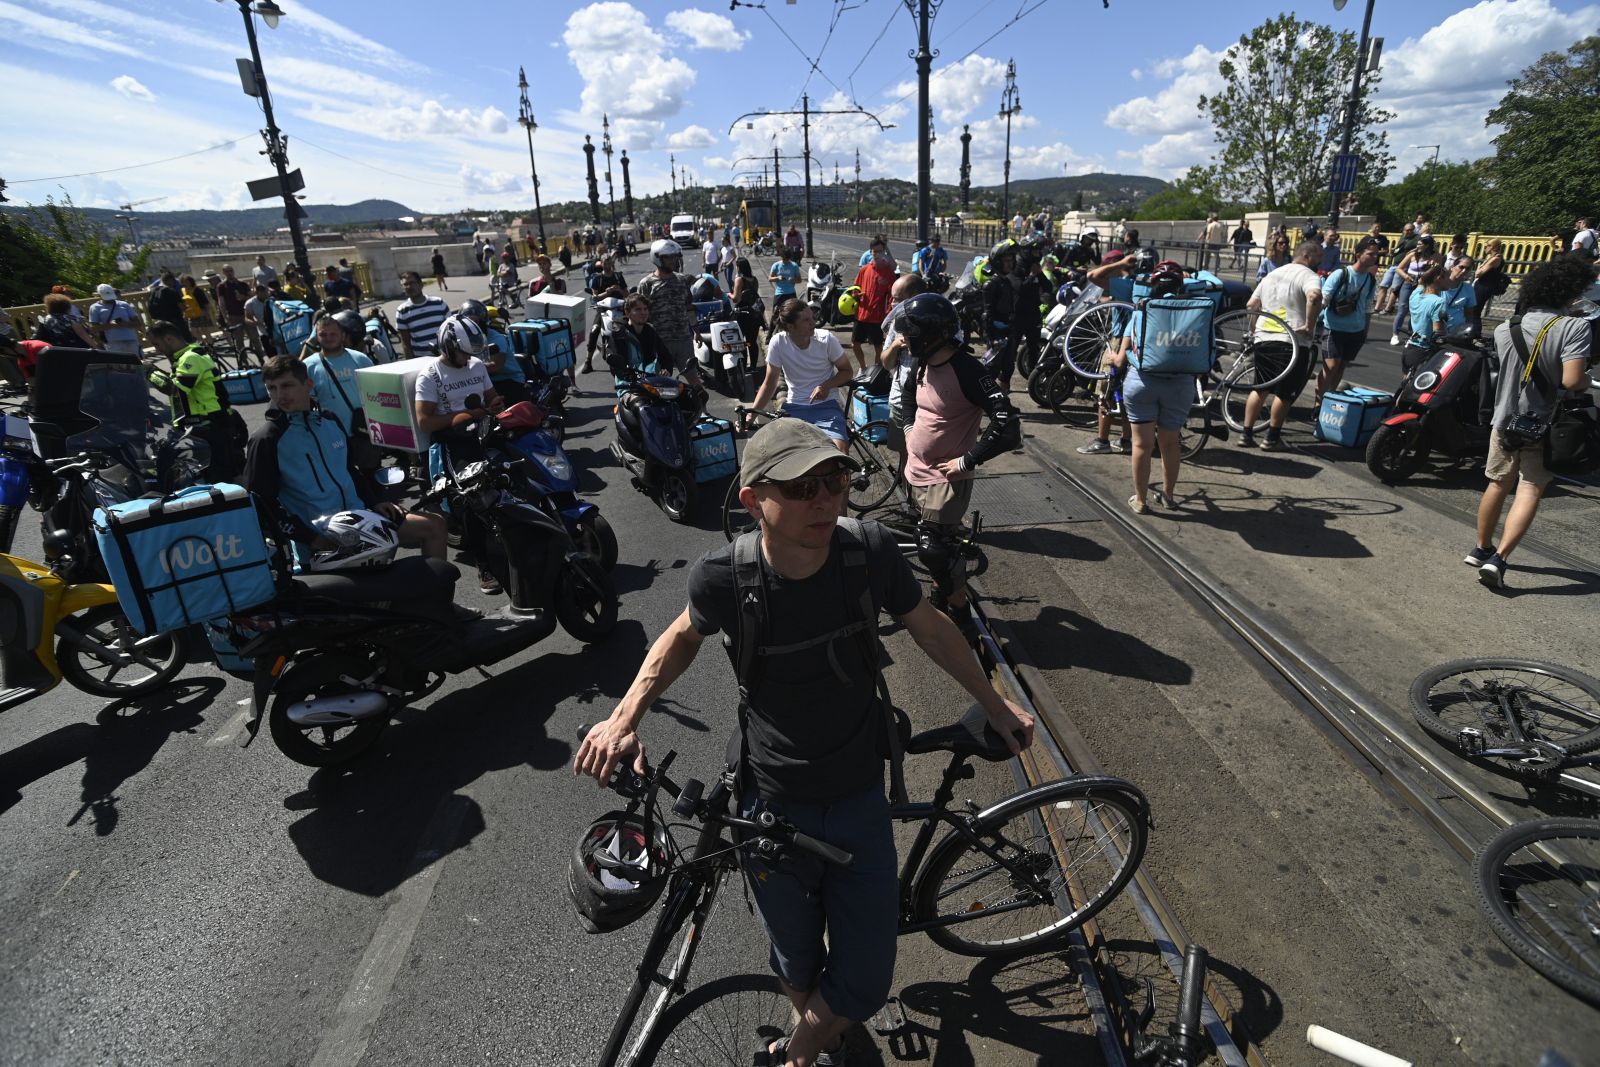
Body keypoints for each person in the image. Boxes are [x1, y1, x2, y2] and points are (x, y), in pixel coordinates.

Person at [574, 416, 1034, 1067]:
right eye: (799, 486)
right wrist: (624, 716)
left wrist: (995, 701)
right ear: (752, 499)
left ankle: (800, 1049)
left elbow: (930, 626)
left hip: (856, 798)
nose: (824, 499)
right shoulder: (723, 578)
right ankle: (822, 1032)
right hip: (768, 804)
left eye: (835, 479)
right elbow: (680, 636)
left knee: (867, 978)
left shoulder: (868, 551)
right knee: (794, 956)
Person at [246, 356, 444, 569]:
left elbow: (350, 471)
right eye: (271, 388)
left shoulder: (330, 421)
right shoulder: (267, 439)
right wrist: (311, 539)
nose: (279, 395)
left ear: (308, 384)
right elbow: (261, 504)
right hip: (321, 538)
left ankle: (438, 602)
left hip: (362, 520)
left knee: (435, 526)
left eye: (286, 385)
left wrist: (375, 502)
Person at [897, 293, 1021, 632]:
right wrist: (909, 429)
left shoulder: (967, 370)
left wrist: (967, 461)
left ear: (930, 335)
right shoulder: (924, 361)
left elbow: (1008, 425)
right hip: (917, 472)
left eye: (908, 334)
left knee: (935, 550)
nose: (902, 340)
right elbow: (910, 395)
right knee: (939, 545)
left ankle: (961, 617)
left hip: (945, 481)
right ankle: (941, 596)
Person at [1469, 256, 1594, 587]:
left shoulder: (1504, 327)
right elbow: (1571, 380)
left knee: (1497, 483)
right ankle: (1500, 559)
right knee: (1530, 486)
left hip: (1504, 419)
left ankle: (1481, 548)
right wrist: (1585, 379)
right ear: (1570, 292)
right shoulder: (1575, 328)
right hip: (1544, 423)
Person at [414, 316, 505, 594]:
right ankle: (484, 565)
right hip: (453, 444)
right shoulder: (430, 375)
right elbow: (424, 422)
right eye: (464, 352)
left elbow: (492, 397)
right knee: (472, 499)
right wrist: (469, 415)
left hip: (484, 431)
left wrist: (495, 404)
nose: (469, 358)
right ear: (448, 346)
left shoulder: (476, 365)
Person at [1104, 265, 1200, 513]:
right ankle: (1168, 496)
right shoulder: (1194, 312)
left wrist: (1110, 357)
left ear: (1153, 286)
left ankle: (1141, 500)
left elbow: (1122, 359)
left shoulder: (1141, 311)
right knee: (1170, 444)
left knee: (1141, 445)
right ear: (1180, 287)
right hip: (1179, 385)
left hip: (1142, 384)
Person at [1241, 239, 1323, 450]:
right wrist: (1309, 325)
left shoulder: (1272, 274)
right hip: (1292, 342)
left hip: (1265, 338)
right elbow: (1314, 297)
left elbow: (1252, 305)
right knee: (1285, 394)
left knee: (1260, 388)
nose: (1320, 261)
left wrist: (1254, 329)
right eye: (1318, 257)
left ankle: (1246, 433)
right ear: (1308, 256)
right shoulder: (1309, 276)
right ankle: (1271, 438)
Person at [144, 320, 241, 483]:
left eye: (156, 343)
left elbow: (174, 389)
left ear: (168, 339)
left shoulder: (191, 357)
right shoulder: (182, 358)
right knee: (209, 476)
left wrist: (150, 371)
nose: (156, 349)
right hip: (201, 426)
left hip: (211, 425)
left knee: (223, 476)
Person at [749, 300, 856, 448]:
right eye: (806, 320)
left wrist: (826, 386)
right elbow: (769, 384)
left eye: (812, 317)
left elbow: (847, 371)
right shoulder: (778, 343)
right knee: (784, 453)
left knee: (839, 452)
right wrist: (751, 415)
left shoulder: (826, 339)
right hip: (794, 407)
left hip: (827, 406)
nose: (813, 323)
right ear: (790, 326)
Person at [1317, 236, 1381, 403]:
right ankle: (1318, 401)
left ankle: (1329, 399)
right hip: (1334, 328)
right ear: (1358, 254)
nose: (1375, 257)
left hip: (1355, 331)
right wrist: (1311, 321)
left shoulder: (1370, 279)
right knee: (1331, 366)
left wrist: (1365, 331)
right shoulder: (1341, 273)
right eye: (1370, 254)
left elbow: (1368, 307)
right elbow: (1324, 298)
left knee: (1340, 367)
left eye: (1376, 254)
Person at [878, 272, 928, 474]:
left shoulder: (938, 320)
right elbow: (885, 363)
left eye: (897, 299)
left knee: (927, 454)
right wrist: (896, 346)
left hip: (929, 403)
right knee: (905, 453)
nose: (892, 303)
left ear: (914, 297)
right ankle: (908, 494)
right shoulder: (896, 323)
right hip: (900, 401)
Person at [638, 239, 700, 385]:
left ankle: (701, 408)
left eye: (675, 256)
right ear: (658, 258)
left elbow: (689, 308)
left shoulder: (682, 280)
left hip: (684, 340)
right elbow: (641, 316)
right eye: (668, 257)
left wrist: (696, 331)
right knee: (659, 383)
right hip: (659, 342)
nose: (673, 260)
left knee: (694, 379)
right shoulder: (646, 284)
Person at [303, 313, 374, 439]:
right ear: (317, 338)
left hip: (363, 432)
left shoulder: (360, 359)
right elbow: (306, 404)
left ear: (343, 335)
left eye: (333, 334)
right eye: (323, 334)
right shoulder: (308, 366)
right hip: (330, 436)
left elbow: (375, 393)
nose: (328, 338)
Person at [850, 241, 895, 375]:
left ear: (884, 252)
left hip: (877, 317)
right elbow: (855, 288)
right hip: (861, 315)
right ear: (870, 252)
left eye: (880, 251)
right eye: (874, 251)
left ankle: (876, 369)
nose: (877, 254)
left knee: (878, 347)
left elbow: (892, 296)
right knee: (855, 344)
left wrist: (889, 314)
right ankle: (863, 368)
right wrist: (856, 295)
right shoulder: (864, 270)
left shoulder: (889, 273)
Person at [581, 255, 628, 373]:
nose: (607, 265)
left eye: (609, 262)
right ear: (601, 263)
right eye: (605, 263)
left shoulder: (618, 276)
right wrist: (607, 293)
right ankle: (588, 361)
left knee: (631, 328)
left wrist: (619, 290)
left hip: (619, 309)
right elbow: (595, 297)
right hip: (603, 310)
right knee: (594, 331)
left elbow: (627, 294)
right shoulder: (597, 279)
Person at [1401, 263, 1451, 370]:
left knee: (1406, 383)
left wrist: (1432, 269)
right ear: (1438, 279)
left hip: (1410, 348)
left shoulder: (1415, 294)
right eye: (1447, 278)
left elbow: (1421, 282)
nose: (1450, 281)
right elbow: (1438, 332)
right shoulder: (1438, 302)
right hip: (1425, 351)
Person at [1390, 235, 1437, 345]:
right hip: (1409, 283)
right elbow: (1399, 268)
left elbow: (1438, 269)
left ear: (1427, 245)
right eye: (1418, 244)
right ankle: (1395, 334)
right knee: (1402, 308)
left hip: (1422, 285)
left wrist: (1433, 266)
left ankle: (1412, 335)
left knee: (1416, 311)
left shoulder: (1434, 257)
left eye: (1421, 244)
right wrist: (1406, 276)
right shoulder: (1412, 255)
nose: (1418, 246)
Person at [395, 270, 450, 360]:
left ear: (421, 285)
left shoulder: (439, 303)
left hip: (446, 357)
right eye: (405, 284)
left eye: (412, 283)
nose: (409, 287)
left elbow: (452, 330)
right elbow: (405, 343)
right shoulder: (402, 311)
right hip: (422, 360)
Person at [88, 284, 143, 355]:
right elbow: (94, 329)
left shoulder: (124, 304)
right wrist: (111, 325)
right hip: (112, 343)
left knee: (136, 363)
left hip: (131, 340)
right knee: (120, 365)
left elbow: (138, 323)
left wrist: (125, 324)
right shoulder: (95, 308)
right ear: (100, 296)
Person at [1374, 223, 1416, 315]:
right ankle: (1377, 308)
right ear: (1404, 230)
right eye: (1406, 230)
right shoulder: (1402, 237)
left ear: (1413, 230)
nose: (1408, 231)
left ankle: (1388, 309)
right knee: (1383, 285)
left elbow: (1420, 248)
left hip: (1403, 266)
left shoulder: (1416, 238)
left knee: (1394, 288)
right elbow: (1397, 249)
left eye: (1410, 230)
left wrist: (1413, 251)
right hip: (1394, 264)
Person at [32, 293, 97, 350]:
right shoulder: (72, 319)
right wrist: (96, 347)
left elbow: (37, 337)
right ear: (66, 307)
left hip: (57, 352)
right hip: (78, 351)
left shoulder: (45, 320)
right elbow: (84, 335)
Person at [1471, 239, 1507, 336]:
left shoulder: (1496, 259)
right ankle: (1472, 332)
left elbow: (1478, 273)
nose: (1485, 247)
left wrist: (1480, 267)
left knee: (1475, 311)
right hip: (1482, 286)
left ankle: (1476, 334)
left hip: (1484, 287)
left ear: (1494, 247)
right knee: (1473, 310)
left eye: (1488, 245)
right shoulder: (1491, 258)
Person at [730, 257, 765, 357]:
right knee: (752, 341)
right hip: (754, 313)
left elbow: (736, 299)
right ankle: (753, 366)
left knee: (741, 340)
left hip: (742, 313)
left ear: (739, 267)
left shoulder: (739, 280)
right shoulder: (754, 280)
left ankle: (744, 365)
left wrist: (729, 294)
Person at [767, 248, 802, 344]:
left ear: (789, 258)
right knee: (775, 314)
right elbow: (770, 278)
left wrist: (793, 280)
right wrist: (777, 278)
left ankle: (795, 335)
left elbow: (799, 280)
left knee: (794, 314)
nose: (785, 261)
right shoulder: (776, 265)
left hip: (790, 293)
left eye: (786, 259)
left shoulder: (794, 266)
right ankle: (769, 335)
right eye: (783, 259)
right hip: (779, 293)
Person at [1441, 255, 1479, 337]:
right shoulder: (1439, 284)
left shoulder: (1469, 289)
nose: (1463, 271)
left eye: (1468, 269)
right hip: (1436, 329)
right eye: (1461, 267)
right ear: (1453, 267)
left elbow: (1469, 313)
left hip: (1456, 332)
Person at [243, 283, 275, 360]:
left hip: (277, 329)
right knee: (272, 356)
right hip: (264, 332)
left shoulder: (272, 299)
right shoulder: (250, 303)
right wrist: (257, 323)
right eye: (261, 292)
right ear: (256, 293)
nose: (264, 294)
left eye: (265, 292)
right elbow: (247, 319)